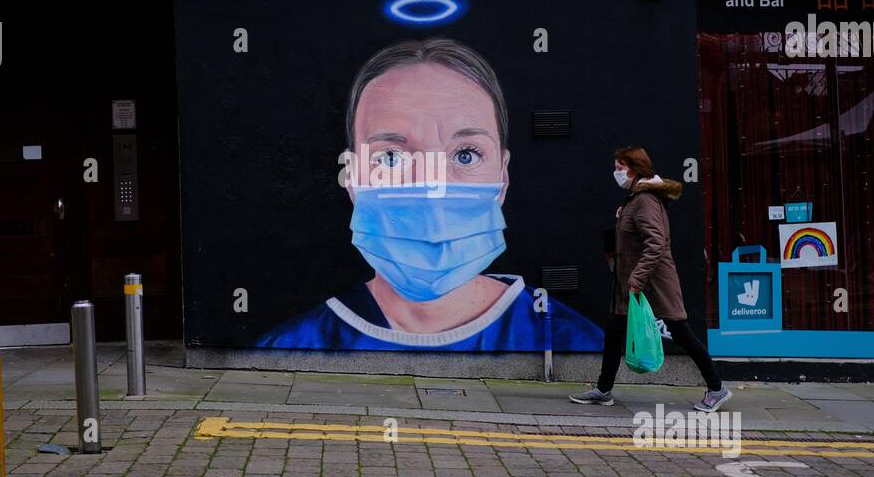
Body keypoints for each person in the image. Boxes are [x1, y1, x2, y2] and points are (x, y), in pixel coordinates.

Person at [258, 37, 603, 351]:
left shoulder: (572, 342)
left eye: (465, 154)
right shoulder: (292, 346)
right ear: (352, 178)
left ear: (502, 176)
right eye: (390, 157)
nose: (431, 191)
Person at [570, 146, 732, 412]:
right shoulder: (636, 200)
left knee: (681, 333)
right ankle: (603, 390)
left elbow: (655, 243)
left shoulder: (644, 200)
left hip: (652, 283)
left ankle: (717, 388)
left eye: (619, 167)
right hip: (632, 284)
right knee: (613, 333)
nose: (616, 172)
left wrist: (636, 277)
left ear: (634, 169)